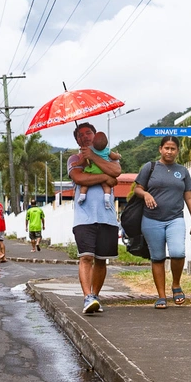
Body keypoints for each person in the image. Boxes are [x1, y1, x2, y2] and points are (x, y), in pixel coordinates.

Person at [132, 135, 191, 309]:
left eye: (173, 148)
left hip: (175, 218)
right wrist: (146, 194)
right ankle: (161, 296)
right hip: (151, 220)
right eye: (166, 148)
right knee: (158, 257)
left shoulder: (182, 171)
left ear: (177, 151)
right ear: (160, 149)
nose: (169, 151)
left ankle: (176, 284)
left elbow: (189, 196)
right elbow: (138, 188)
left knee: (178, 252)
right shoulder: (150, 167)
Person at [69, 123, 120, 314]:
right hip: (84, 217)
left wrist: (95, 158)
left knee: (101, 260)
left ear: (95, 134)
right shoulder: (74, 158)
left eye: (88, 133)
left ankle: (95, 296)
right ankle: (87, 296)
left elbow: (116, 172)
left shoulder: (108, 153)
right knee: (86, 257)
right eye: (80, 135)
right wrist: (105, 178)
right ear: (76, 139)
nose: (85, 137)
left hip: (107, 217)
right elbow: (80, 178)